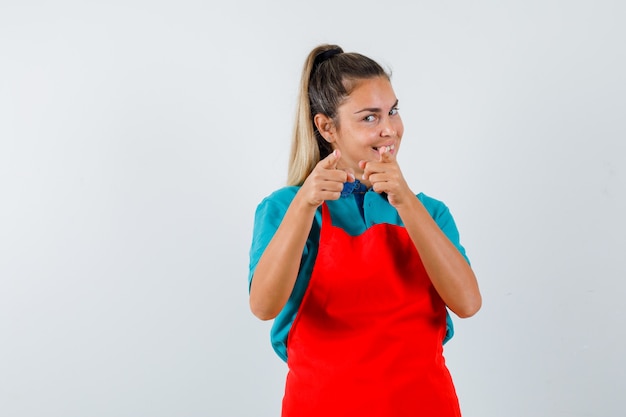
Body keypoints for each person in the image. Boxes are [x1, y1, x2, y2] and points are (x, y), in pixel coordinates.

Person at [248, 44, 481, 417]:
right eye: (369, 117)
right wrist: (304, 205)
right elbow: (263, 306)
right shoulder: (285, 208)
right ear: (326, 127)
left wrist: (405, 200)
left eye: (392, 111)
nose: (389, 128)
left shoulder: (429, 212)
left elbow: (468, 304)